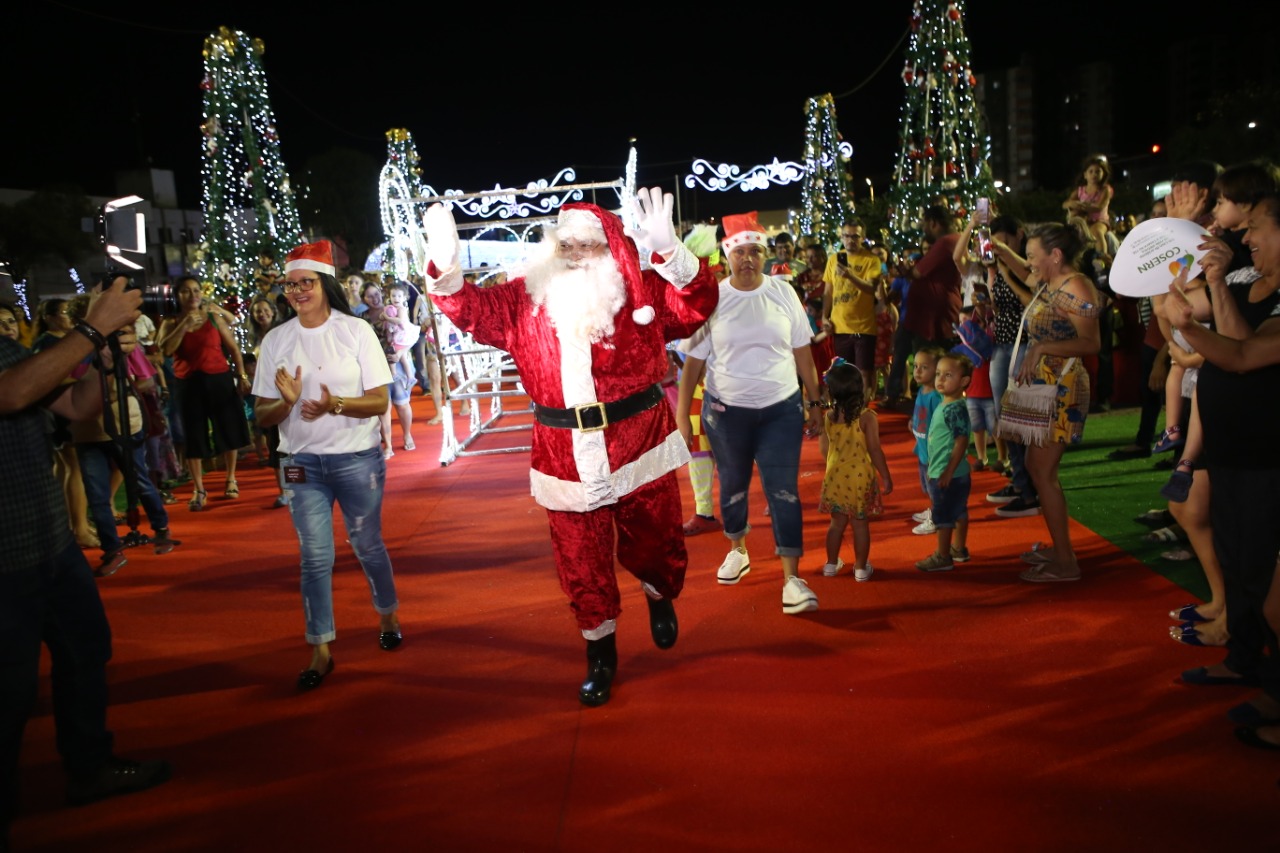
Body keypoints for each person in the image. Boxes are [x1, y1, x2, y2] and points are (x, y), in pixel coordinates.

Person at [421, 188, 718, 707]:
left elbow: (697, 305)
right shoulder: (520, 300)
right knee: (580, 563)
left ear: (611, 248)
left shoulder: (641, 294)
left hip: (638, 445)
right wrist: (445, 270)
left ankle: (658, 591)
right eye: (565, 243)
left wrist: (672, 252)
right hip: (562, 453)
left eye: (586, 244)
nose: (574, 253)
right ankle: (600, 652)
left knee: (656, 543)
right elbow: (466, 308)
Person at [1, 278, 171, 850]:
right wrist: (91, 329)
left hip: (50, 539)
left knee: (87, 651)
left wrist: (102, 359)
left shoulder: (8, 345)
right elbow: (9, 394)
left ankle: (90, 767)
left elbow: (76, 407)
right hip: (5, 556)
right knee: (11, 690)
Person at [252, 240, 401, 691]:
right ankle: (320, 648)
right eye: (291, 284)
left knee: (367, 545)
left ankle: (388, 616)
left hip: (357, 459)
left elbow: (380, 400)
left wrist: (333, 403)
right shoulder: (276, 341)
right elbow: (260, 414)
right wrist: (286, 403)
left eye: (307, 283)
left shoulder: (354, 331)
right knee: (314, 556)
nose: (298, 291)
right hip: (301, 465)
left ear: (325, 284)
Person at [1162, 191, 1280, 750]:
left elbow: (1238, 353)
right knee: (1240, 564)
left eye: (1256, 226)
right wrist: (1205, 286)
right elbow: (1217, 334)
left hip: (1266, 454)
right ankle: (1249, 664)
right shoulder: (1244, 282)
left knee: (1265, 578)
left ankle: (1271, 683)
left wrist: (1194, 327)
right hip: (1232, 449)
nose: (1247, 238)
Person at [676, 210, 823, 616]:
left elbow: (803, 353)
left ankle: (792, 577)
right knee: (734, 487)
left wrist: (815, 401)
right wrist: (679, 420)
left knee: (784, 491)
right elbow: (692, 365)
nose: (747, 259)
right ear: (727, 257)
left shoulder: (782, 293)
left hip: (782, 409)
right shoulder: (714, 299)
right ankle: (737, 548)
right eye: (740, 252)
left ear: (764, 254)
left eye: (754, 251)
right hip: (727, 413)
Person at [1007, 223, 1102, 583]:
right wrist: (1002, 255)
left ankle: (1066, 562)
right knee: (1037, 467)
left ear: (1055, 256)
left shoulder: (1076, 287)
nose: (1029, 262)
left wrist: (1043, 347)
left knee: (1043, 472)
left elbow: (1091, 343)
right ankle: (1061, 550)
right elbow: (1024, 274)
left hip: (1063, 388)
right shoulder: (1054, 283)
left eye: (1033, 256)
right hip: (1045, 385)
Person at [154, 276, 252, 511]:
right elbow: (165, 350)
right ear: (178, 296)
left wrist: (242, 375)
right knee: (193, 435)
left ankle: (230, 478)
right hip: (188, 383)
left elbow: (233, 348)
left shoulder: (213, 317)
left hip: (219, 379)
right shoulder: (170, 321)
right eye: (186, 291)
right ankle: (199, 488)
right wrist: (184, 325)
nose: (193, 295)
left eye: (196, 290)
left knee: (228, 428)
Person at [816, 359, 892, 581]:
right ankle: (860, 568)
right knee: (860, 524)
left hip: (835, 474)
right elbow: (875, 450)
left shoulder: (828, 417)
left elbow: (824, 449)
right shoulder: (866, 417)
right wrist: (885, 476)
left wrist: (835, 465)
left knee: (836, 524)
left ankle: (830, 564)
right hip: (860, 476)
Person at [915, 353, 973, 572]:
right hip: (956, 472)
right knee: (958, 511)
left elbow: (961, 441)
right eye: (938, 373)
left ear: (964, 381)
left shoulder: (953, 408)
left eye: (948, 375)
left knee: (942, 514)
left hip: (947, 472)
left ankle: (943, 556)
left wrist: (947, 471)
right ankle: (959, 549)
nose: (940, 379)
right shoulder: (948, 402)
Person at [821, 221, 882, 394]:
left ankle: (862, 409)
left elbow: (871, 288)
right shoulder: (833, 259)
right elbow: (828, 291)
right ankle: (846, 408)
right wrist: (825, 316)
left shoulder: (871, 260)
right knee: (843, 372)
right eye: (846, 235)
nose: (850, 240)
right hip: (840, 326)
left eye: (855, 236)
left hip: (864, 326)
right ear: (841, 237)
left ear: (862, 238)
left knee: (863, 372)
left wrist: (849, 275)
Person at [903, 206, 964, 351]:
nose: (923, 229)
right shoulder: (957, 239)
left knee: (930, 362)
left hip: (936, 319)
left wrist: (907, 268)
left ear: (933, 223)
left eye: (924, 224)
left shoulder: (945, 242)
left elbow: (917, 273)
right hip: (938, 314)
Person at [908, 347, 943, 535]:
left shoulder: (936, 396)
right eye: (915, 366)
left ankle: (938, 518)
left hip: (933, 453)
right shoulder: (922, 390)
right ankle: (934, 509)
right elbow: (920, 414)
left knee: (935, 488)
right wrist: (913, 422)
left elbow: (940, 426)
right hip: (922, 450)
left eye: (924, 367)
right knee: (928, 487)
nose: (917, 371)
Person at [1063, 154, 1115, 259]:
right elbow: (1065, 204)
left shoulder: (1105, 190)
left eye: (1097, 171)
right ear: (1085, 175)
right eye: (1091, 171)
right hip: (1084, 221)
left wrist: (1084, 207)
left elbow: (1100, 206)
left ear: (1103, 174)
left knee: (1097, 232)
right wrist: (1073, 204)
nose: (1094, 174)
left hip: (1100, 221)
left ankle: (1102, 257)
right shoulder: (1080, 190)